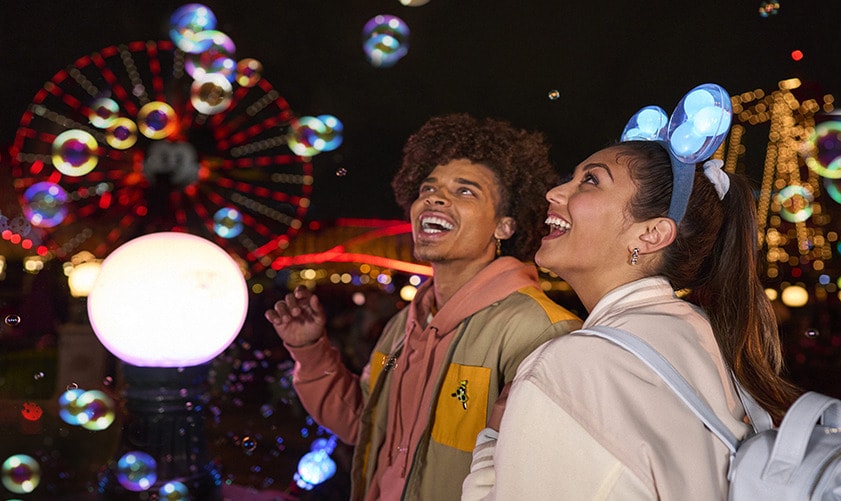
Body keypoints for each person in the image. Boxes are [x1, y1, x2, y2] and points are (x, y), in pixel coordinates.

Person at [265, 113, 582, 500]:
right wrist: (311, 351)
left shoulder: (538, 331)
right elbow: (362, 422)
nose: (434, 197)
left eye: (466, 191)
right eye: (428, 188)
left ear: (505, 226)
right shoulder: (404, 325)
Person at [462, 139, 801, 500]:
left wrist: (492, 442)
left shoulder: (568, 365)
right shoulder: (705, 334)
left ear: (651, 234)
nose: (554, 193)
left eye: (590, 181)